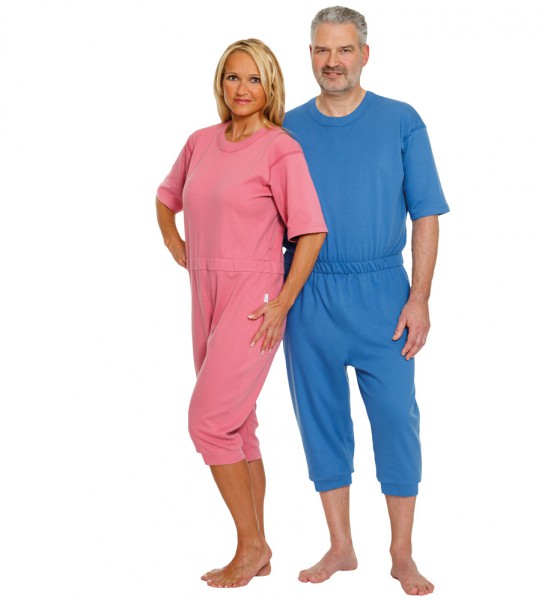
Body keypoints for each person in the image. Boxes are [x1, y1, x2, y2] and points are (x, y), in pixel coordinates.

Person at [282, 7, 449, 596]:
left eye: (345, 49)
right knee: (320, 420)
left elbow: (425, 213)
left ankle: (401, 553)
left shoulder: (401, 121)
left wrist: (419, 297)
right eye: (323, 50)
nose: (333, 62)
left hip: (383, 294)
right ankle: (341, 546)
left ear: (364, 54)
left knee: (397, 421)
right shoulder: (285, 129)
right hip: (308, 292)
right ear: (310, 55)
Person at [155, 38, 327, 589]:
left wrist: (283, 302)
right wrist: (175, 242)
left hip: (254, 298)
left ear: (270, 86)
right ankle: (261, 548)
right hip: (204, 291)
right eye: (233, 77)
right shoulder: (200, 142)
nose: (242, 89)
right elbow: (165, 197)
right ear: (220, 83)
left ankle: (250, 546)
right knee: (235, 423)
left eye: (254, 79)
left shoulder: (280, 148)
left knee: (207, 421)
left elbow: (311, 231)